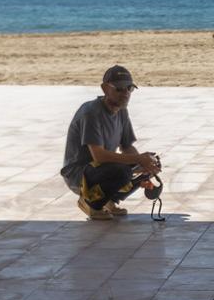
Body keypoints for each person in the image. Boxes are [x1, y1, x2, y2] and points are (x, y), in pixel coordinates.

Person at [62, 65, 163, 221]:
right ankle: (90, 202)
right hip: (80, 173)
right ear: (105, 89)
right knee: (122, 172)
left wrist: (144, 169)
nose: (126, 93)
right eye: (120, 89)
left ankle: (108, 200)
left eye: (130, 88)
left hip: (101, 169)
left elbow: (127, 147)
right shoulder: (91, 113)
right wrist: (138, 160)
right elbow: (99, 156)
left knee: (150, 163)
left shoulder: (122, 111)